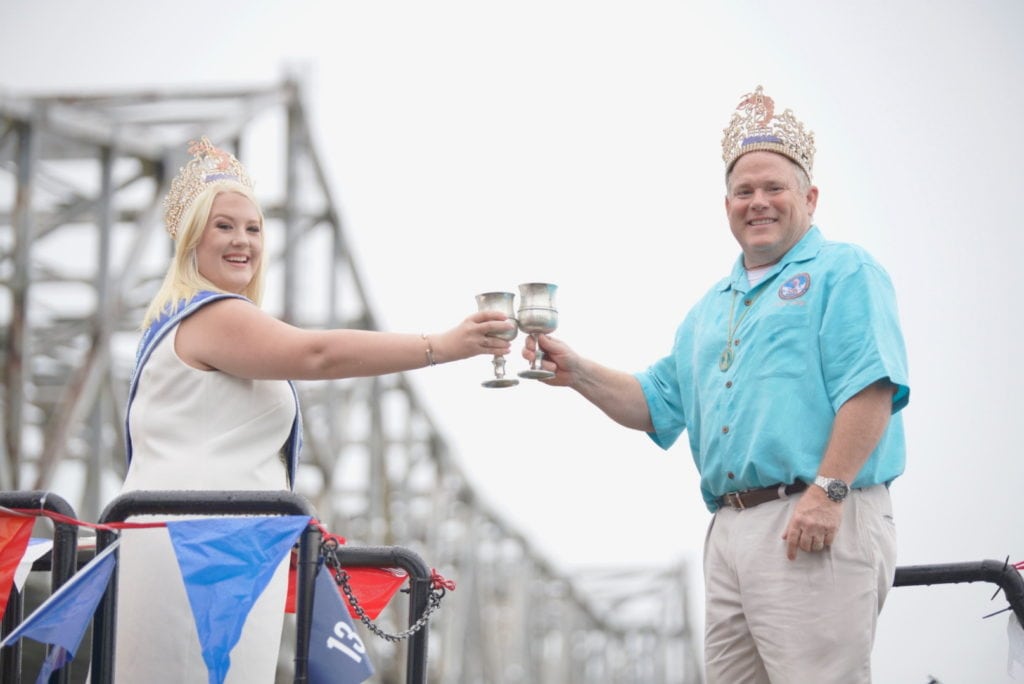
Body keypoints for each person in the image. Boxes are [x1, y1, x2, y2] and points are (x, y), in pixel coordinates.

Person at [525, 86, 909, 683]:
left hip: (813, 511)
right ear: (726, 204)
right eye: (744, 191)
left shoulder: (845, 270)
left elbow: (872, 389)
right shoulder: (709, 309)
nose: (758, 202)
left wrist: (827, 493)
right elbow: (656, 405)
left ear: (809, 196)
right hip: (730, 531)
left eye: (774, 188)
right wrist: (575, 371)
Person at [113, 137, 514, 683]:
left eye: (253, 229)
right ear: (191, 240)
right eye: (223, 226)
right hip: (201, 553)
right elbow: (315, 353)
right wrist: (441, 346)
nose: (242, 241)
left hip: (219, 547)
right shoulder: (213, 314)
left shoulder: (180, 319)